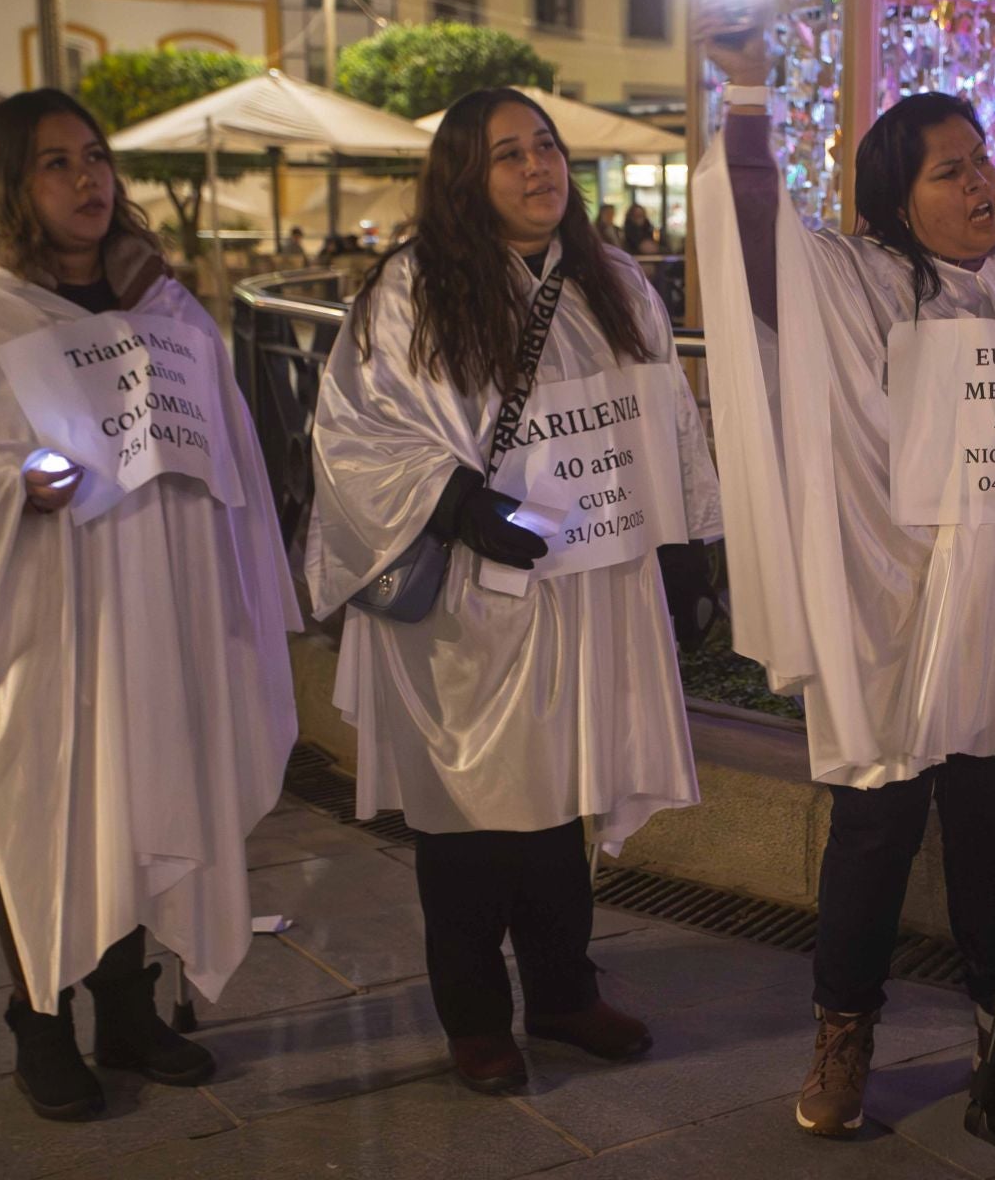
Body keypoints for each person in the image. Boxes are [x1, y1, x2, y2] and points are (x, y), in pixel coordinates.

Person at [697, 18, 995, 1137]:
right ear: (899, 198)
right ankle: (844, 1031)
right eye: (951, 169)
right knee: (873, 833)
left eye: (984, 158)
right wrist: (749, 99)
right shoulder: (854, 282)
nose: (980, 180)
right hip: (890, 602)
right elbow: (755, 250)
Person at [0, 89, 301, 1121]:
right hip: (36, 618)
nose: (88, 178)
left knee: (140, 799)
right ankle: (38, 1022)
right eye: (57, 162)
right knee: (41, 810)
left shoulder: (167, 304)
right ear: (13, 179)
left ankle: (126, 1008)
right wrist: (5, 475)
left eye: (95, 157)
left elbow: (222, 441)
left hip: (158, 609)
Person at [306, 88, 720, 1095]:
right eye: (508, 153)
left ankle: (564, 990)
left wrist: (687, 542)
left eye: (546, 145)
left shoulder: (613, 280)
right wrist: (453, 501)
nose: (538, 166)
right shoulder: (411, 290)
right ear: (463, 175)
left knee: (556, 797)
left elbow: (662, 419)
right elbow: (355, 429)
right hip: (468, 596)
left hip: (586, 584)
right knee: (469, 810)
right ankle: (476, 1014)